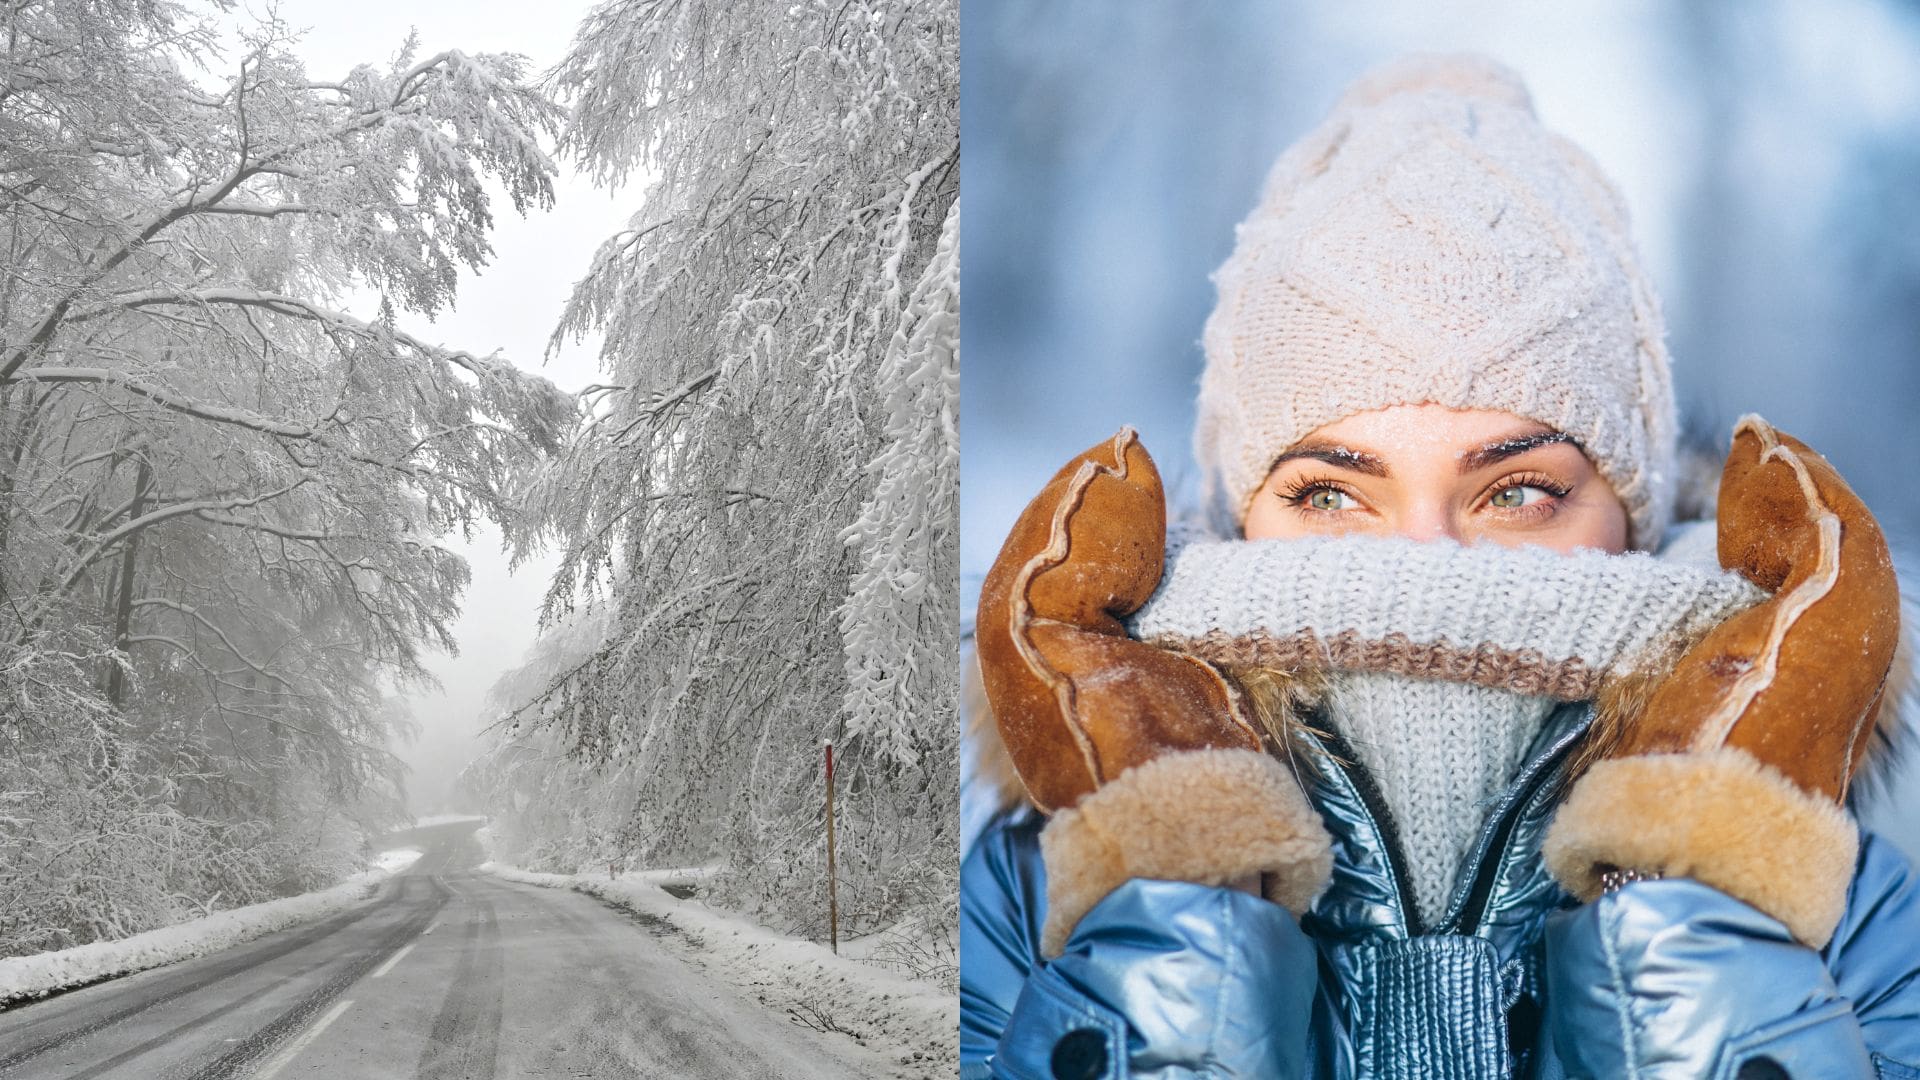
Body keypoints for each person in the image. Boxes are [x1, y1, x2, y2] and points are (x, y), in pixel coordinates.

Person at [960, 55, 1920, 1079]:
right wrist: (1172, 942)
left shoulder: (1825, 904)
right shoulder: (1046, 889)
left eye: (1516, 493)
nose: (1423, 564)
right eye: (1332, 494)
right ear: (1238, 515)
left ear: (1633, 516)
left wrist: (1704, 924)